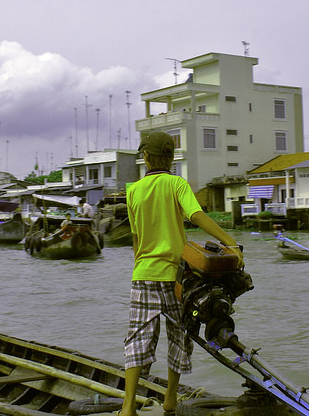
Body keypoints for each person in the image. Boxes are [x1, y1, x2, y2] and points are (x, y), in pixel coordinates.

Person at [121, 132, 241, 416]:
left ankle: (128, 407)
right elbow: (196, 215)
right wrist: (230, 243)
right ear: (172, 158)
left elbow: (137, 241)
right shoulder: (177, 183)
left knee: (137, 337)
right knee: (180, 336)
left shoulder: (133, 190)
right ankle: (170, 399)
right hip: (177, 276)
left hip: (144, 274)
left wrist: (139, 268)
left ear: (146, 158)